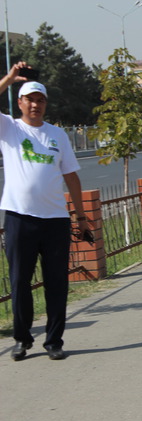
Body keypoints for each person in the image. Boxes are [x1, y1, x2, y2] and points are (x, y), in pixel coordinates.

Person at [0, 62, 91, 361]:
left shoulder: (57, 135)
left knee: (57, 282)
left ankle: (54, 341)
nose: (35, 105)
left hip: (55, 220)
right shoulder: (10, 128)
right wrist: (10, 78)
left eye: (40, 100)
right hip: (19, 217)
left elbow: (72, 177)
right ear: (20, 102)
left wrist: (81, 216)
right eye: (30, 99)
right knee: (19, 282)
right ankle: (23, 339)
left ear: (45, 104)